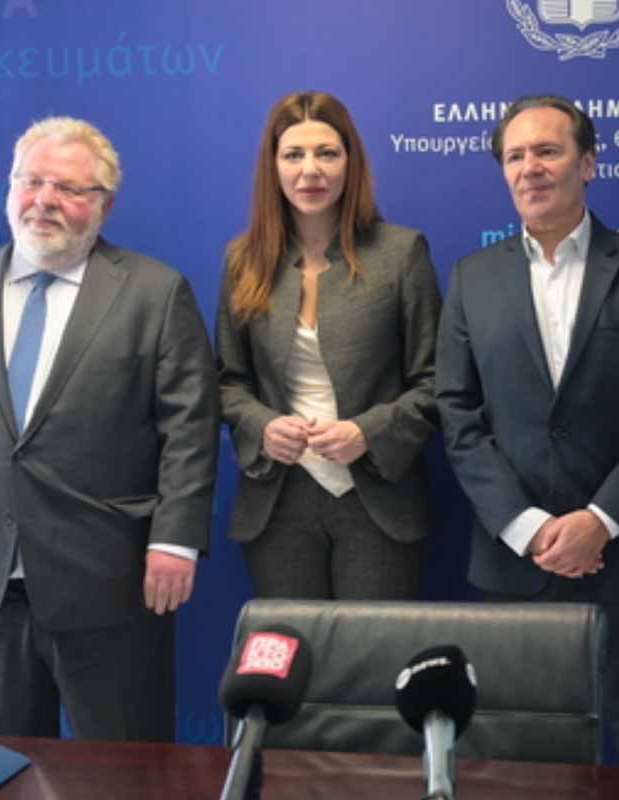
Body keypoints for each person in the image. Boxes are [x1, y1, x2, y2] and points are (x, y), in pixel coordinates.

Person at [0, 117, 219, 740]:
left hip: (110, 581)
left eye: (69, 189)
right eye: (31, 181)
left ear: (104, 204)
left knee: (125, 768)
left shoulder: (156, 292)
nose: (44, 200)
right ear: (10, 188)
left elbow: (189, 427)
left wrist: (175, 539)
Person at [435, 94, 619, 767]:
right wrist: (527, 527)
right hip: (514, 563)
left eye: (548, 151)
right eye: (515, 156)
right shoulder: (471, 279)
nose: (530, 167)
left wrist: (599, 522)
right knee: (519, 764)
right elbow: (458, 416)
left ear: (587, 163)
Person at [216, 91, 441, 600]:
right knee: (293, 649)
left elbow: (437, 382)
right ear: (273, 167)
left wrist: (368, 432)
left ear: (350, 162)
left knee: (371, 648)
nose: (310, 170)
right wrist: (262, 426)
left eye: (327, 153)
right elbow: (227, 380)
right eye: (293, 155)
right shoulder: (242, 260)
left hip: (377, 499)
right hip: (278, 503)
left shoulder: (401, 253)